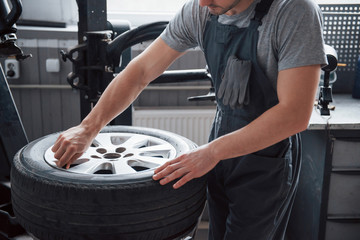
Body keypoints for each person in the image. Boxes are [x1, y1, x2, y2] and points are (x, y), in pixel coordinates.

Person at [52, 0, 327, 239]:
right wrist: (88, 127)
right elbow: (141, 70)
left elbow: (294, 114)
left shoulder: (294, 11)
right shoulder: (200, 11)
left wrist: (213, 152)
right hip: (221, 143)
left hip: (267, 159)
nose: (203, 3)